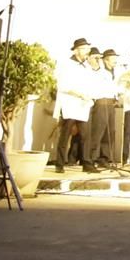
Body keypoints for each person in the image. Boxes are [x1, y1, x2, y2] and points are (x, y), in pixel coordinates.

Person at [48, 39, 94, 172]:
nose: (87, 52)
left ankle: (86, 163)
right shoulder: (66, 64)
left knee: (85, 135)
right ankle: (60, 163)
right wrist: (79, 94)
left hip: (82, 105)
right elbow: (63, 85)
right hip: (69, 102)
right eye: (84, 49)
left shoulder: (87, 66)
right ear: (77, 50)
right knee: (65, 134)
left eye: (87, 49)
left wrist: (88, 96)